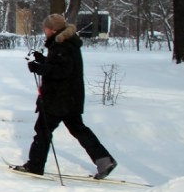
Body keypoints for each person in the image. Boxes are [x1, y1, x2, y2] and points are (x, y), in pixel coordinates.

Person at [12, 13, 117, 179]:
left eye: (45, 28)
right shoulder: (66, 43)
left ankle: (35, 166)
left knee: (43, 130)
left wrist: (39, 68)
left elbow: (62, 71)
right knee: (78, 129)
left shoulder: (62, 45)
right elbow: (61, 65)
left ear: (52, 29)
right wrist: (43, 60)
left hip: (59, 99)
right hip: (70, 98)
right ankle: (105, 160)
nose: (44, 30)